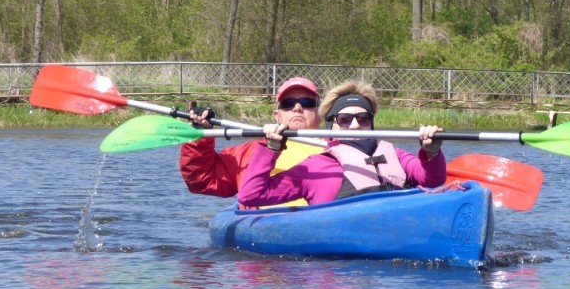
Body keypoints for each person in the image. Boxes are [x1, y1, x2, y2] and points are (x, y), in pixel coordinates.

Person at [237, 81, 446, 208]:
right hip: (338, 275)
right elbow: (252, 195)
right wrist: (272, 148)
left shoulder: (395, 154)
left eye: (363, 119)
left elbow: (433, 179)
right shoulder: (314, 166)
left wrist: (431, 151)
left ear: (371, 124)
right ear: (331, 126)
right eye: (345, 120)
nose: (355, 126)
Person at [179, 77, 323, 197]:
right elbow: (200, 179)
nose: (297, 108)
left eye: (307, 103)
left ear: (320, 114)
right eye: (288, 104)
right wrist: (200, 133)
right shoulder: (248, 153)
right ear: (277, 116)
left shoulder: (337, 150)